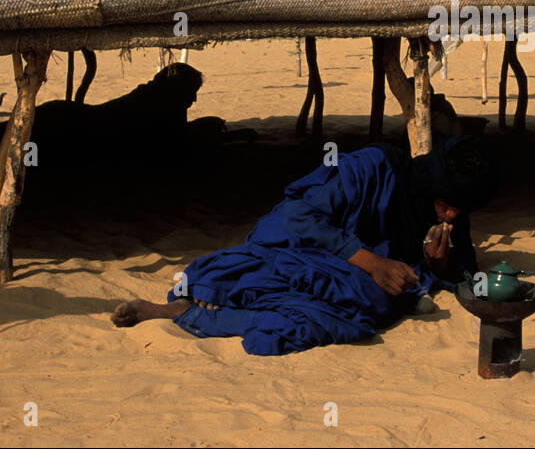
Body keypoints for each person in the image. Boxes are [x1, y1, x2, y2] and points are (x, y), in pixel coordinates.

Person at [111, 134, 498, 356]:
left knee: (354, 312)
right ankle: (185, 303)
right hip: (301, 245)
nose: (449, 216)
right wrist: (372, 263)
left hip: (348, 275)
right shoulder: (374, 167)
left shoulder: (452, 214)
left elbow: (460, 269)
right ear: (432, 181)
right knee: (350, 290)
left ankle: (184, 312)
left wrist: (437, 263)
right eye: (445, 204)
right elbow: (299, 216)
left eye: (457, 210)